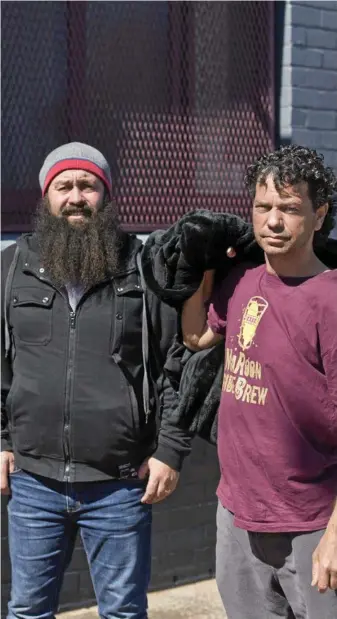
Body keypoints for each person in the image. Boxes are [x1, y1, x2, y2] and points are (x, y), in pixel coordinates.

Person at [1, 142, 191, 619]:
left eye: (88, 185)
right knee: (26, 610)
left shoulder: (143, 268)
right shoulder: (11, 269)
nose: (76, 197)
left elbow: (176, 364)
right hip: (33, 482)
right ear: (46, 197)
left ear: (106, 195)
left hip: (120, 483)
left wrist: (169, 449)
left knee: (124, 612)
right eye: (64, 186)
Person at [182, 145, 337, 619]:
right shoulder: (243, 282)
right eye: (263, 207)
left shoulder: (329, 302)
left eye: (290, 209)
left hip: (312, 525)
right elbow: (195, 337)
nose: (273, 221)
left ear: (319, 215)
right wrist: (201, 266)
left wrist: (335, 535)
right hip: (237, 516)